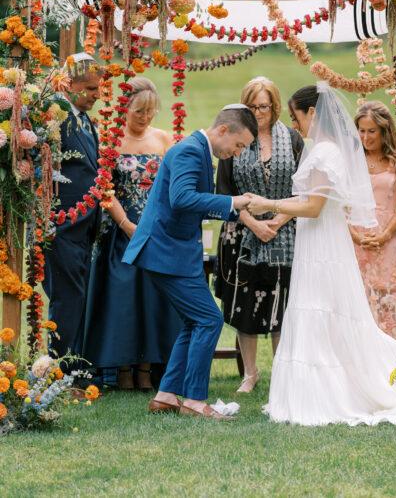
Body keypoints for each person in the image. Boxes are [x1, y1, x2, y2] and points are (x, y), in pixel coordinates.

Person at [247, 83, 396, 426]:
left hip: (322, 245)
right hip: (320, 240)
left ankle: (333, 393)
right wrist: (280, 217)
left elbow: (315, 206)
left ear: (313, 114)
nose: (295, 125)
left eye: (297, 117)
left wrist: (268, 204)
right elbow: (311, 202)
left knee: (323, 310)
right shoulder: (326, 149)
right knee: (322, 312)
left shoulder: (325, 152)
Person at [122, 105, 257, 420]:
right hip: (165, 251)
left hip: (175, 252)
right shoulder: (188, 151)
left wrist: (239, 210)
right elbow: (180, 199)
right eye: (238, 145)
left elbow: (194, 205)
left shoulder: (198, 150)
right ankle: (195, 401)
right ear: (223, 130)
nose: (237, 153)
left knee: (194, 321)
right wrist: (231, 202)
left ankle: (167, 396)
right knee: (209, 320)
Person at [84, 77, 181, 390]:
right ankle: (121, 367)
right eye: (140, 111)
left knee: (153, 293)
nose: (145, 117)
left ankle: (147, 367)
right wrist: (126, 224)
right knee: (123, 293)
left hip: (155, 225)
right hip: (119, 224)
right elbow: (104, 189)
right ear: (126, 107)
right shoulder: (109, 140)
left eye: (151, 111)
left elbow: (172, 186)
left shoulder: (164, 139)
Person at [215, 77, 303, 393]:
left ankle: (282, 372)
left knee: (283, 304)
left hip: (285, 231)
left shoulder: (292, 139)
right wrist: (253, 223)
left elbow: (303, 189)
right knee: (245, 305)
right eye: (252, 106)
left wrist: (276, 223)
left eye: (263, 106)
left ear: (274, 106)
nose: (258, 111)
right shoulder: (236, 139)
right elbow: (223, 191)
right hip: (242, 232)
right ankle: (249, 374)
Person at [43, 52, 102, 364]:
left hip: (85, 225)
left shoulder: (84, 118)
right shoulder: (56, 116)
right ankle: (58, 368)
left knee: (77, 296)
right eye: (91, 88)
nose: (98, 94)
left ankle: (71, 365)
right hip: (62, 225)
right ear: (71, 85)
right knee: (67, 297)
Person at [351, 101, 396, 349]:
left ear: (384, 131)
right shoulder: (351, 161)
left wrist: (386, 234)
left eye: (371, 131)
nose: (365, 137)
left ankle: (394, 361)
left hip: (389, 241)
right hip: (357, 240)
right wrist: (354, 235)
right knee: (359, 303)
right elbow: (340, 205)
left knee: (389, 302)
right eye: (361, 130)